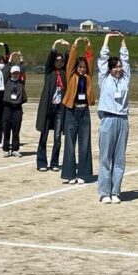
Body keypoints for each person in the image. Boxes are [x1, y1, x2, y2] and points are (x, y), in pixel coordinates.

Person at [97, 32, 131, 204]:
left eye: (120, 66)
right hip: (108, 119)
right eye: (115, 67)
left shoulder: (125, 79)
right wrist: (107, 39)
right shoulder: (104, 79)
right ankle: (104, 192)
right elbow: (103, 59)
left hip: (122, 119)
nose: (119, 69)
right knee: (105, 157)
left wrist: (123, 41)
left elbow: (126, 60)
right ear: (110, 69)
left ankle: (115, 191)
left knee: (119, 158)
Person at [61, 36, 95, 185]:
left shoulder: (88, 76)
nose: (82, 69)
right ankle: (69, 174)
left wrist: (88, 46)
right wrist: (75, 45)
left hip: (84, 112)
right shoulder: (71, 75)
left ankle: (83, 174)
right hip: (72, 111)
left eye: (84, 67)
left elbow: (90, 60)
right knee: (70, 144)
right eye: (80, 67)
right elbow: (70, 61)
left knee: (85, 143)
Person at [35, 39, 70, 172]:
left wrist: (67, 48)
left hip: (60, 109)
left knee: (57, 137)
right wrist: (55, 45)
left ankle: (54, 162)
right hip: (48, 108)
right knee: (44, 135)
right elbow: (49, 60)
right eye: (57, 60)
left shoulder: (64, 73)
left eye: (61, 61)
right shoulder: (49, 72)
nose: (59, 62)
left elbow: (70, 61)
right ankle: (41, 162)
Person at [1, 55, 27, 157]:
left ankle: (15, 149)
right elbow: (5, 71)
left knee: (16, 129)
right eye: (13, 73)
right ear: (11, 73)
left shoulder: (21, 82)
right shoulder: (7, 81)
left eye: (17, 73)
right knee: (6, 128)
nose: (15, 74)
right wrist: (10, 60)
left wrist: (21, 59)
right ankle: (6, 149)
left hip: (17, 108)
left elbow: (23, 69)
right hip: (7, 107)